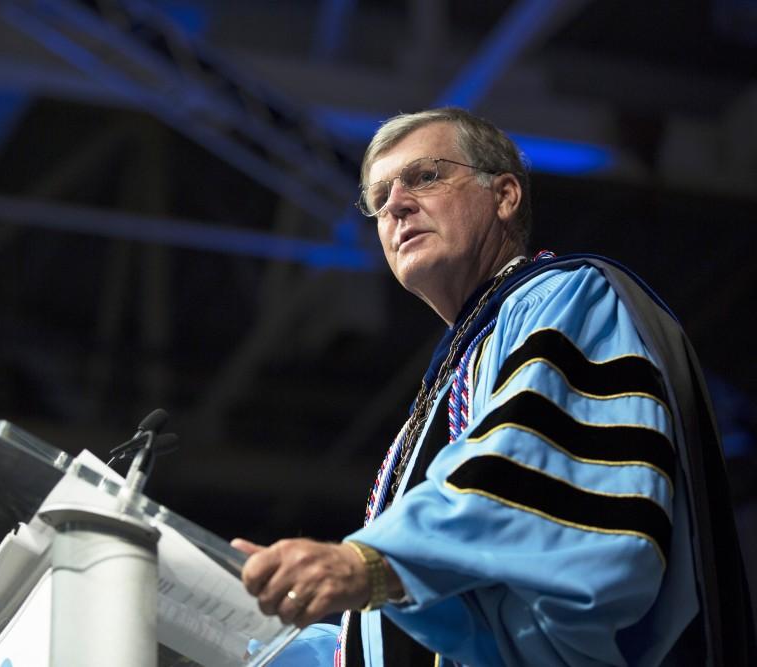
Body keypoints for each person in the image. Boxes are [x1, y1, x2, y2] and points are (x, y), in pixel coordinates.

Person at [231, 107, 754, 665]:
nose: (396, 205)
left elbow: (536, 484)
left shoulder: (568, 300)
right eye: (379, 199)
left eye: (425, 177)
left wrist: (372, 564)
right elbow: (447, 629)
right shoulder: (445, 387)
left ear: (505, 195)